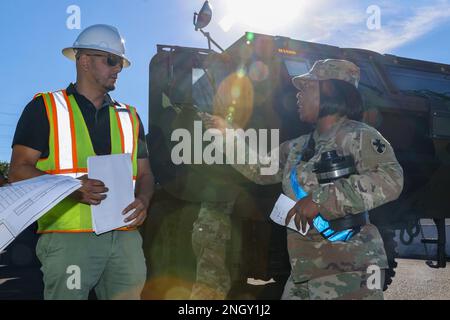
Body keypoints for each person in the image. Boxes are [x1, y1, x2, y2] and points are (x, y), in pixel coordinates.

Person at [204, 59, 404, 300]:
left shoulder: (357, 135)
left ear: (330, 91)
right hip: (303, 271)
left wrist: (321, 200)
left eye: (307, 88)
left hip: (351, 269)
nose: (298, 95)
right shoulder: (298, 146)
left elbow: (391, 179)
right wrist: (228, 136)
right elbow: (259, 170)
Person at [9, 24, 154, 300]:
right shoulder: (44, 108)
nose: (118, 68)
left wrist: (144, 200)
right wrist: (71, 187)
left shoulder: (131, 117)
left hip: (125, 237)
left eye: (120, 62)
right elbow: (18, 171)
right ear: (85, 61)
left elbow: (146, 174)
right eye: (111, 60)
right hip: (68, 237)